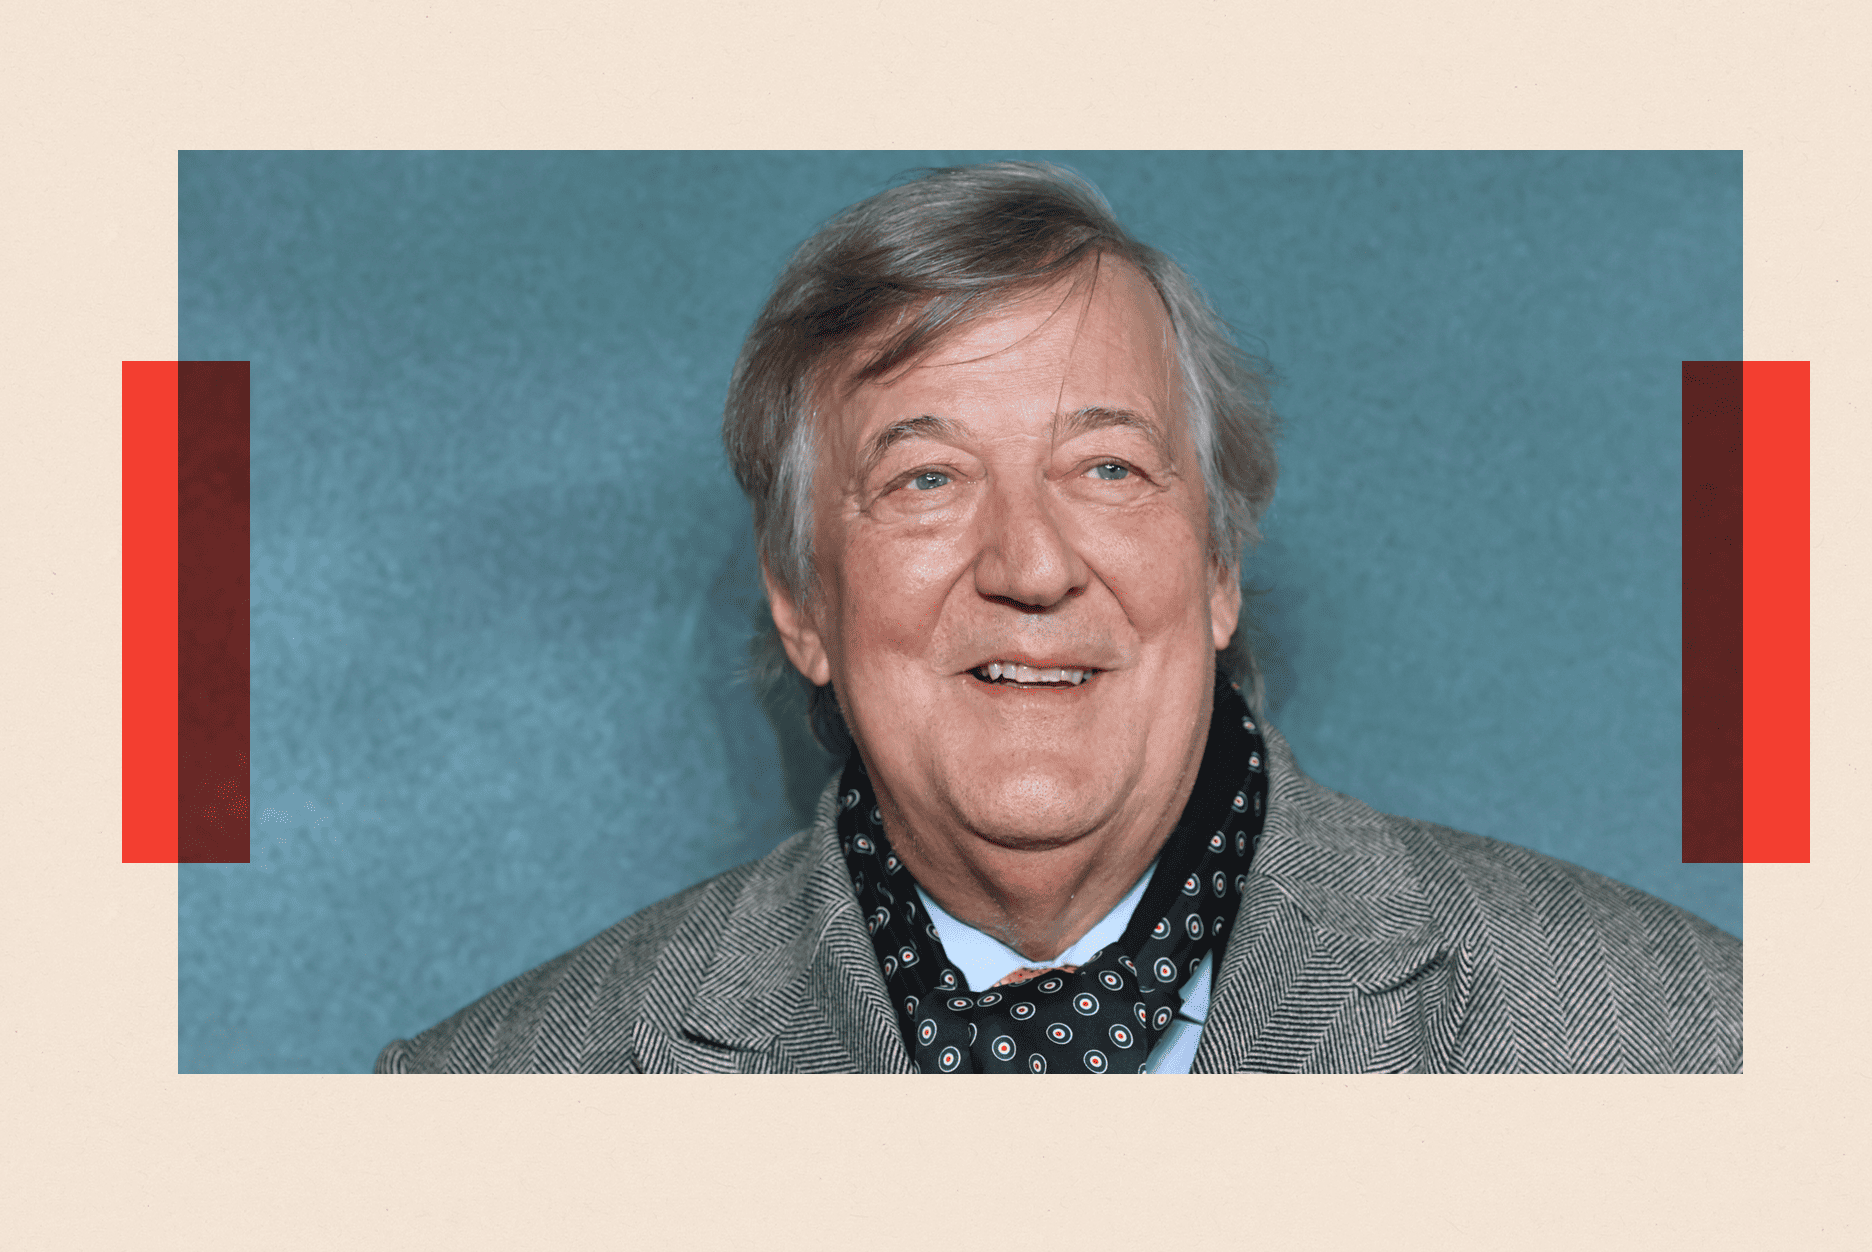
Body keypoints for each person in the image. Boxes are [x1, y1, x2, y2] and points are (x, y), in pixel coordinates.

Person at [377, 162, 1741, 1074]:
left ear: (1217, 568)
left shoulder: (1685, 1041)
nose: (1030, 565)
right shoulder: (485, 1106)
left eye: (1107, 468)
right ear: (801, 600)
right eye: (925, 477)